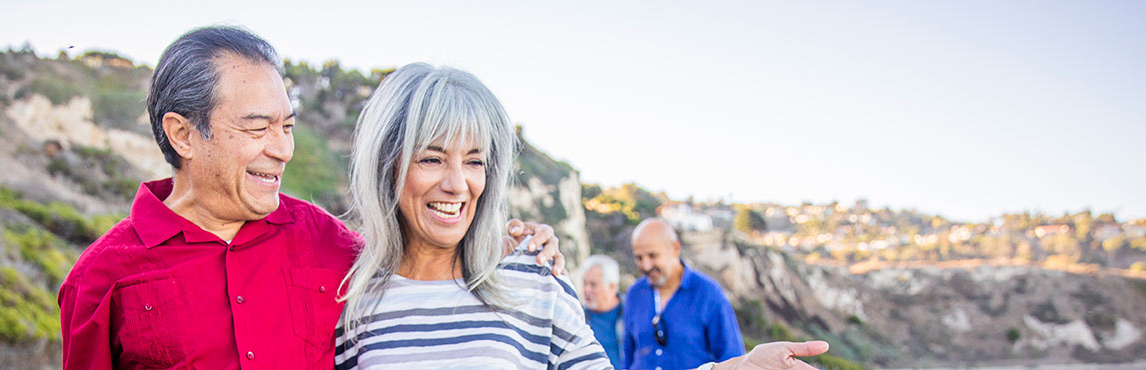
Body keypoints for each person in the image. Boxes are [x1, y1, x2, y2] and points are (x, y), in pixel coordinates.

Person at [57, 26, 566, 370]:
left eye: (287, 126)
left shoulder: (328, 243)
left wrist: (505, 237)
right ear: (184, 135)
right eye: (257, 127)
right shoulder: (101, 278)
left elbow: (416, 249)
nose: (281, 149)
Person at [332, 63, 833, 370]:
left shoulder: (533, 280)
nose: (457, 183)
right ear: (389, 163)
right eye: (432, 157)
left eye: (475, 161)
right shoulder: (351, 302)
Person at [623, 218, 744, 370]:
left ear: (675, 248)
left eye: (653, 256)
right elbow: (628, 354)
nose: (646, 265)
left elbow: (732, 357)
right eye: (639, 258)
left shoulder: (709, 294)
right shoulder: (634, 294)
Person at [581, 255, 627, 369]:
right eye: (585, 283)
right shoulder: (578, 317)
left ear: (612, 286)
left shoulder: (632, 313)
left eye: (593, 284)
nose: (587, 290)